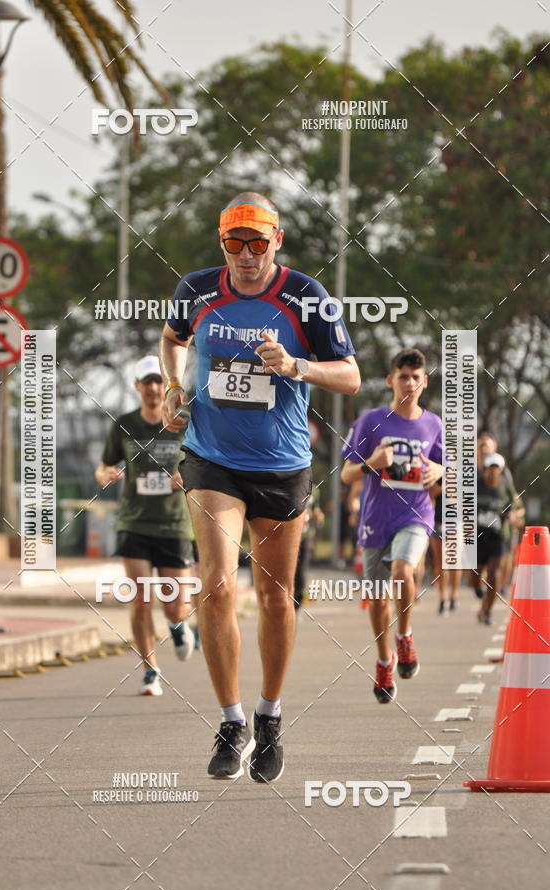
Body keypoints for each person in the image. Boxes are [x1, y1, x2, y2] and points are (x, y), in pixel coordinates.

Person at [160, 191, 360, 782]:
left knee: (276, 597)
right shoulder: (196, 290)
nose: (245, 255)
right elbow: (173, 340)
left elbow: (349, 377)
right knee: (217, 586)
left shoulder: (306, 298)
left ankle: (270, 716)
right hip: (210, 457)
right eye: (233, 242)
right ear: (221, 243)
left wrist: (297, 366)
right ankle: (231, 720)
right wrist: (174, 388)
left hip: (280, 463)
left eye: (256, 241)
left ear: (277, 240)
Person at [341, 348, 443, 703]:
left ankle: (406, 637)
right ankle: (385, 660)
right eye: (403, 376)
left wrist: (439, 470)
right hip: (376, 520)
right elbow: (346, 473)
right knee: (377, 598)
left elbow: (446, 470)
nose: (410, 383)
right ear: (390, 380)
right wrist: (372, 462)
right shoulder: (370, 422)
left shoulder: (433, 425)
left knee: (403, 570)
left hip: (415, 514)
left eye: (417, 377)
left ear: (425, 382)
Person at [95, 354, 196, 696]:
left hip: (174, 525)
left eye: (158, 381)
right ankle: (151, 670)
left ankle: (180, 625)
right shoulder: (124, 424)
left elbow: (204, 459)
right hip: (135, 522)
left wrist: (188, 474)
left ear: (165, 386)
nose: (153, 387)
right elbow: (104, 464)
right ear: (137, 387)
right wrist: (106, 474)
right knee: (140, 599)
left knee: (174, 603)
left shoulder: (183, 421)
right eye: (147, 382)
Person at [471, 453, 518, 625]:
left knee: (494, 574)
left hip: (498, 536)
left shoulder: (506, 488)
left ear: (501, 471)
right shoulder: (475, 485)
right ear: (484, 470)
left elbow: (518, 508)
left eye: (496, 469)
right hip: (477, 535)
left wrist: (514, 515)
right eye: (489, 468)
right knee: (475, 574)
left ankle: (487, 611)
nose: (492, 472)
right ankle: (477, 587)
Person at [429, 478, 461, 614]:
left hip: (456, 522)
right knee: (440, 562)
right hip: (438, 522)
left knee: (455, 561)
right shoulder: (436, 474)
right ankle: (443, 597)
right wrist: (441, 488)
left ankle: (454, 594)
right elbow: (429, 495)